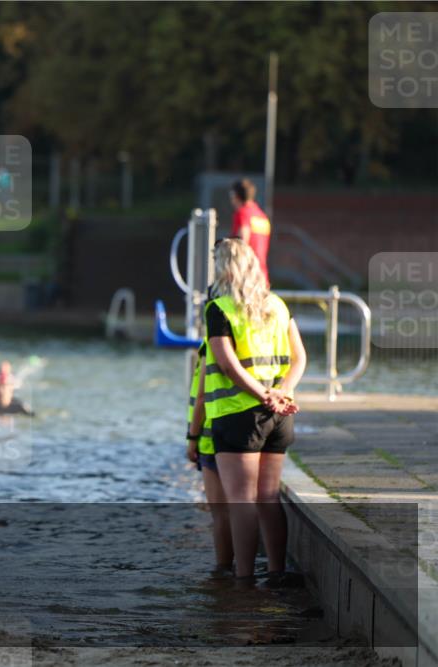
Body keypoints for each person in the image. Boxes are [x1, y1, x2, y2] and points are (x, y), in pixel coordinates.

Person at [204, 238, 306, 583]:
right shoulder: (277, 305)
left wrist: (264, 395)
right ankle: (276, 572)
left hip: (238, 416)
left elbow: (228, 365)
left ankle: (244, 580)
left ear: (222, 269)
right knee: (268, 497)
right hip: (279, 416)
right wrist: (282, 393)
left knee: (241, 501)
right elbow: (299, 357)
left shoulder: (219, 308)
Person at [186, 343, 233, 574]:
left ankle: (223, 572)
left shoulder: (211, 344)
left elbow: (202, 397)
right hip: (248, 429)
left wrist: (192, 438)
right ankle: (249, 571)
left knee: (221, 513)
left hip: (211, 436)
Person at [229, 179, 271, 284]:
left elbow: (242, 242)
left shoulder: (242, 213)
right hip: (261, 276)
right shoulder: (262, 216)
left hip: (246, 276)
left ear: (235, 196)